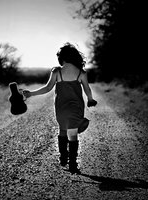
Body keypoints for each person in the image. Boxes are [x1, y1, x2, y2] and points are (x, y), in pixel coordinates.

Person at [22, 42, 97, 174]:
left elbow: (47, 88)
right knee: (73, 135)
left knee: (62, 130)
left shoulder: (57, 72)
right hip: (76, 108)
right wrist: (90, 100)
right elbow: (87, 90)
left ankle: (63, 157)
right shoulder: (81, 73)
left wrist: (31, 94)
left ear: (61, 57)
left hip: (61, 109)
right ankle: (72, 164)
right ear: (74, 57)